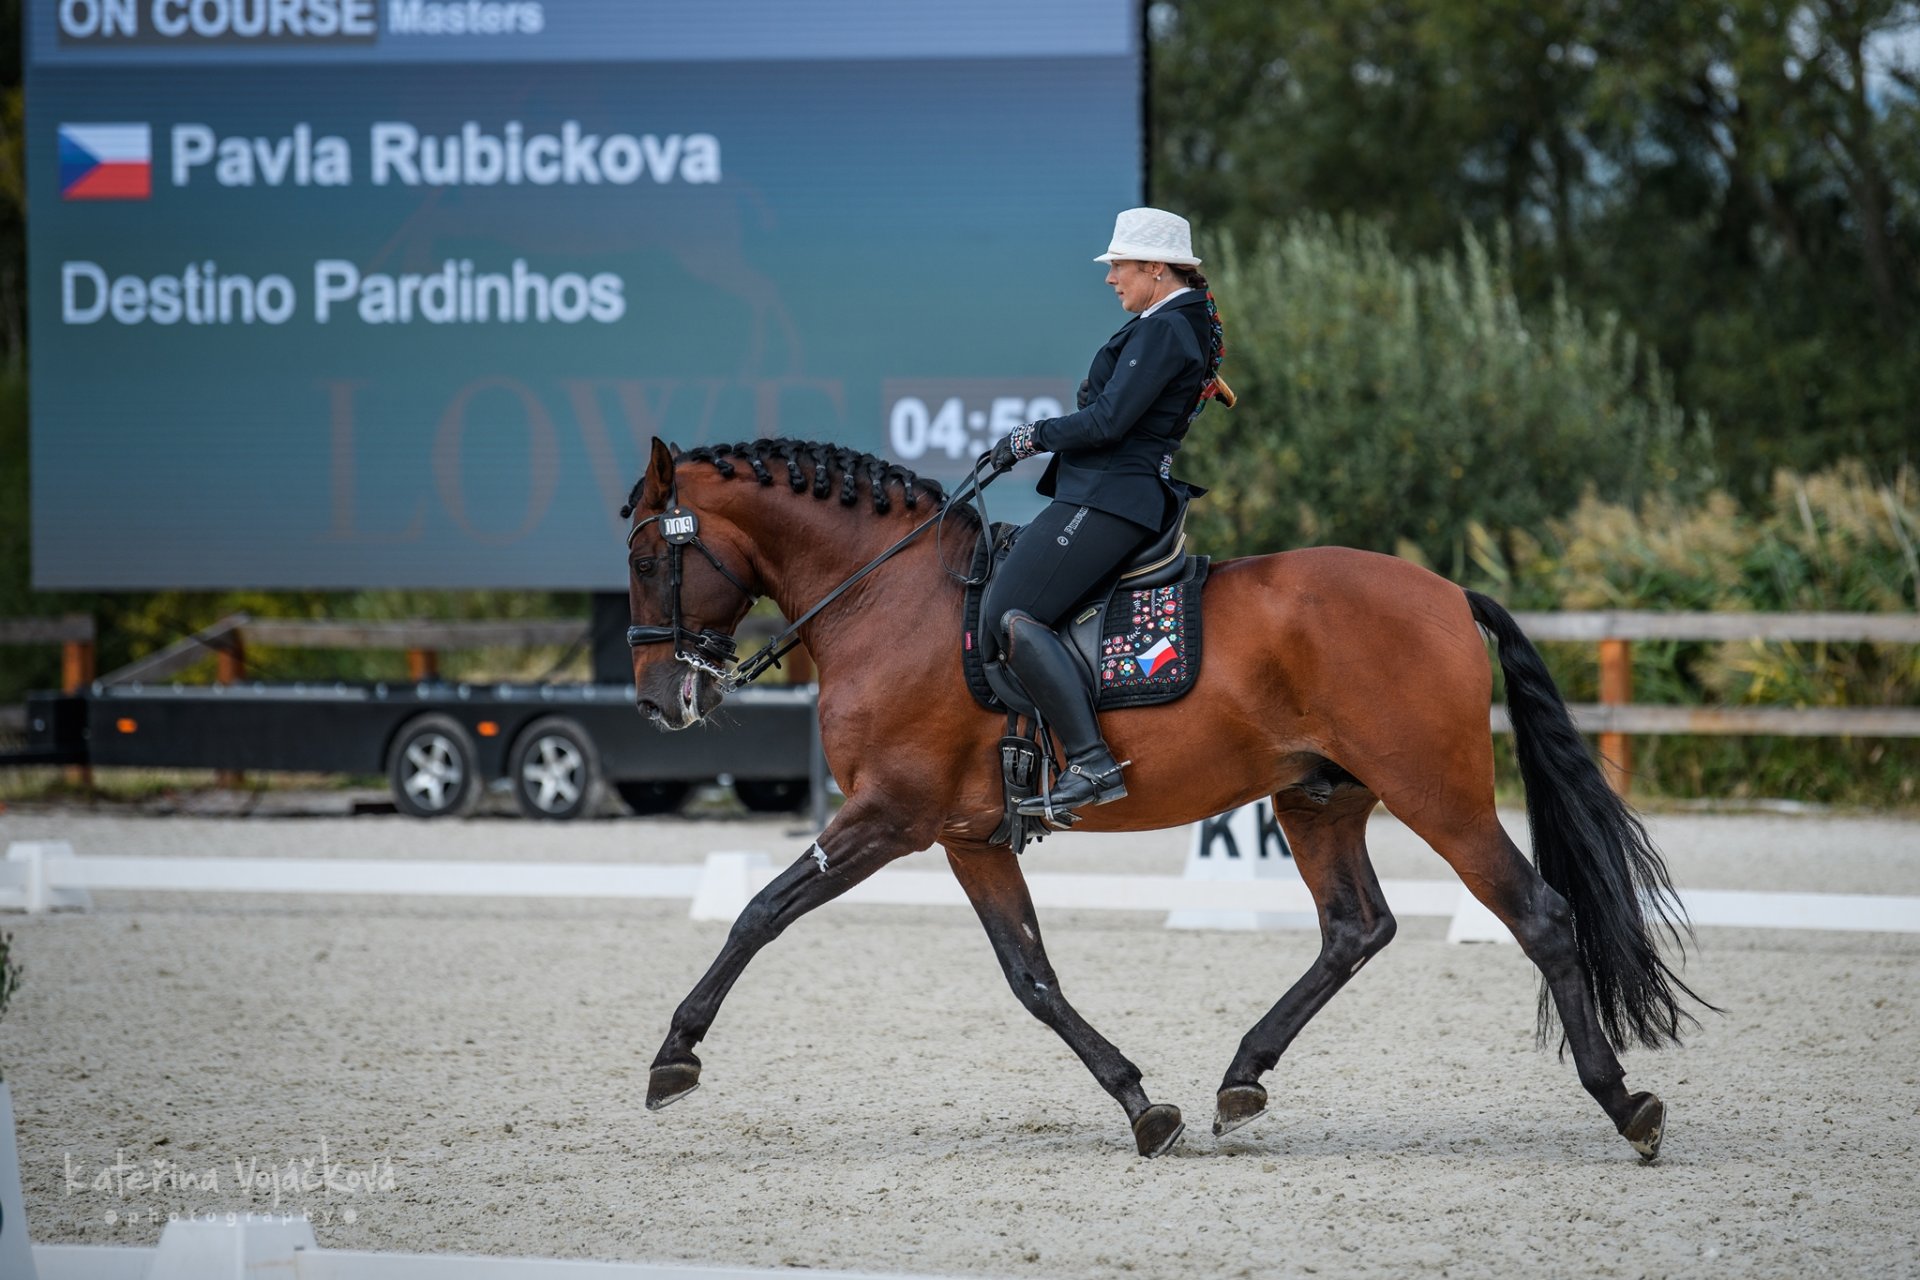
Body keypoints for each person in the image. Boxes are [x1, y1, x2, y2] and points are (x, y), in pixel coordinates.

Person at [981, 207, 1228, 817]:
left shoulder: (1165, 329)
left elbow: (1109, 421)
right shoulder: (1174, 322)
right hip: (1109, 492)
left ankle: (1091, 762)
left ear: (1155, 267)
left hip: (1111, 496)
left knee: (1012, 612)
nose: (1111, 277)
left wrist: (1029, 437)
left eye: (1119, 265)